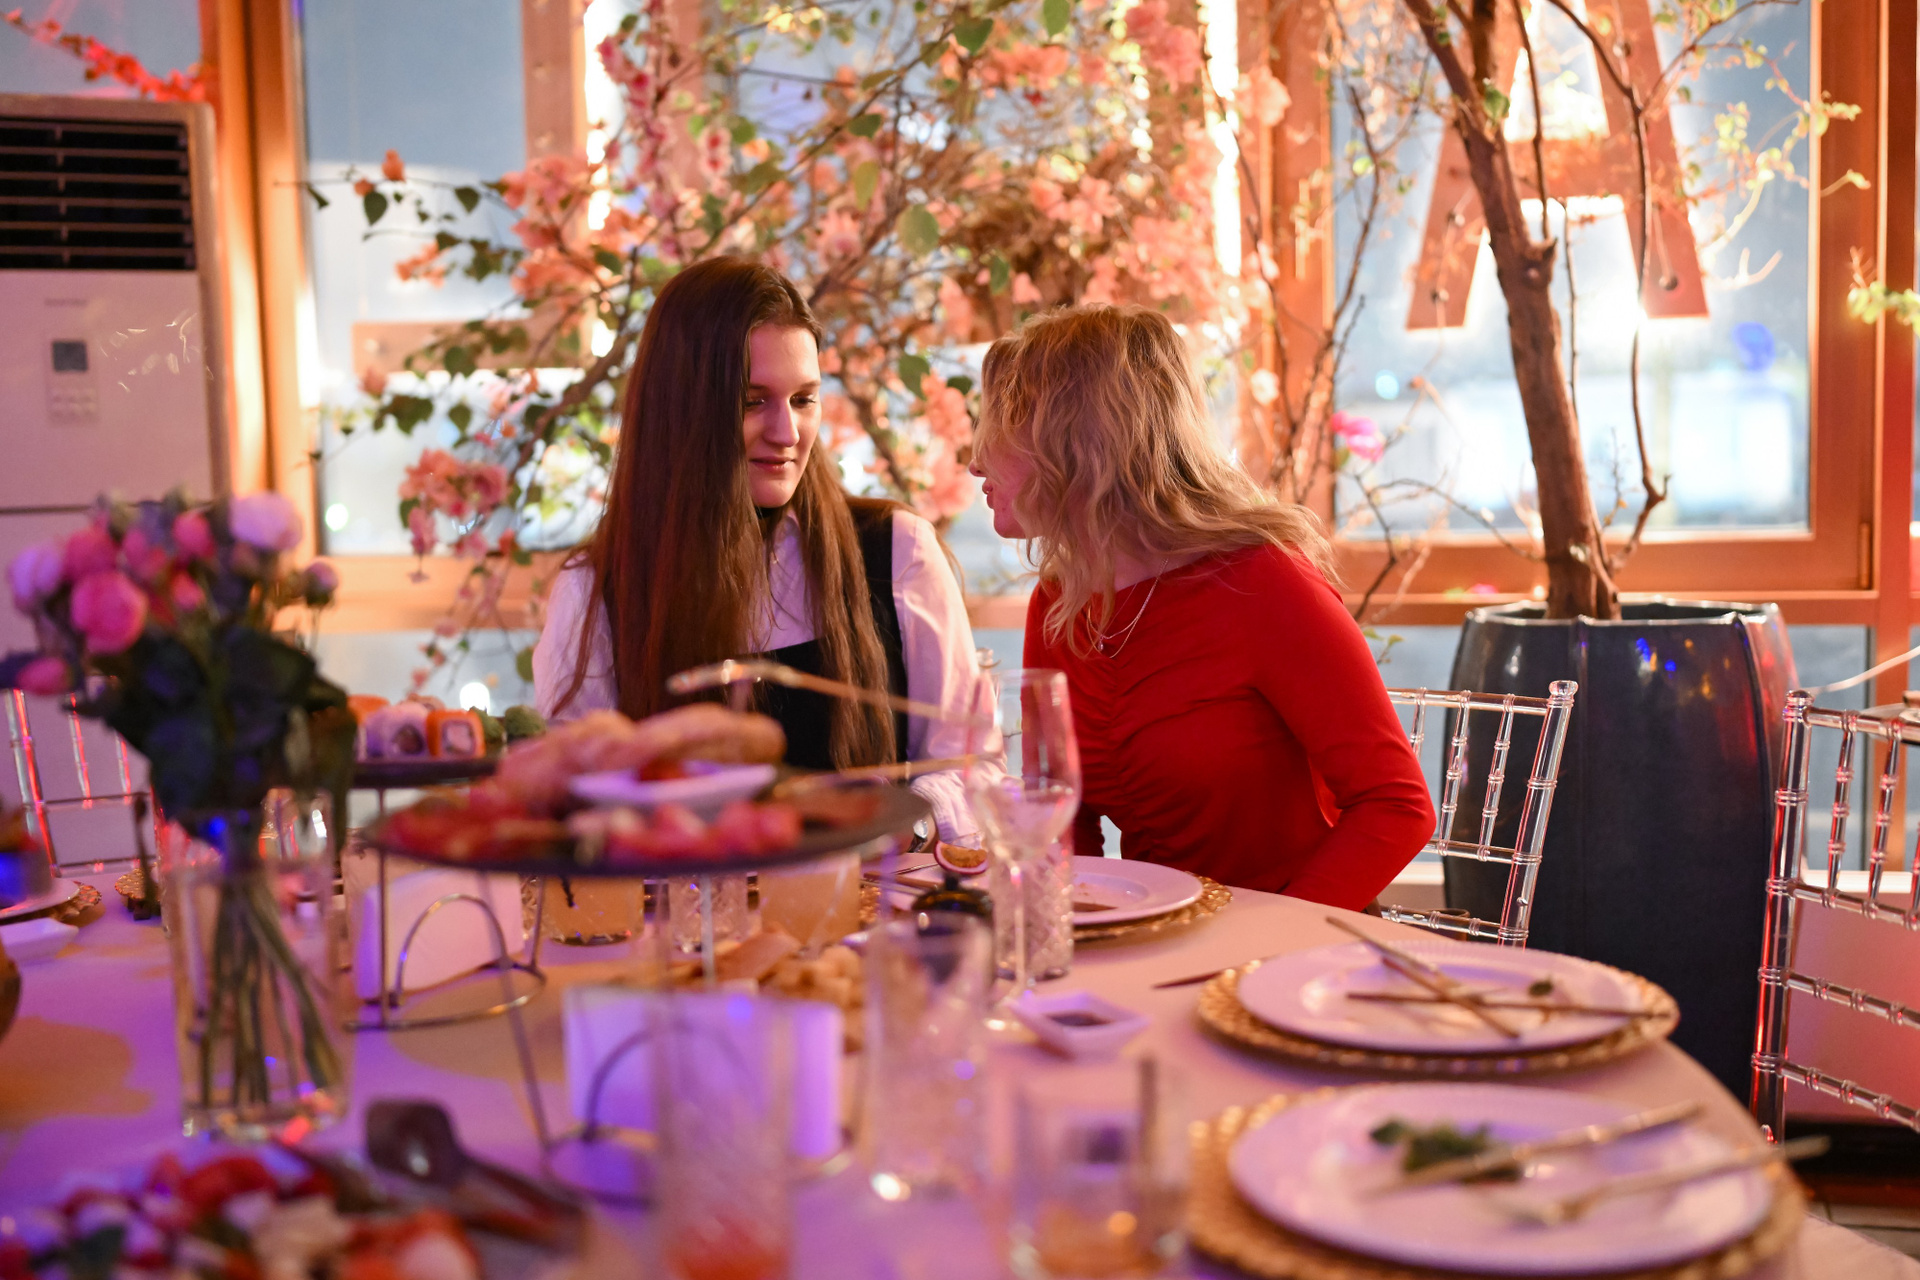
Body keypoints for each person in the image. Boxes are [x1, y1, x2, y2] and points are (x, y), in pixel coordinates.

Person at [968, 304, 1434, 908]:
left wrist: (1269, 937)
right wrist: (1074, 928)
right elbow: (1064, 815)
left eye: (999, 426)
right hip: (1155, 932)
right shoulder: (1059, 602)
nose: (974, 460)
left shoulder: (1264, 582)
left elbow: (1397, 805)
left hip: (1291, 940)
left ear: (1076, 441)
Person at [533, 256, 981, 840]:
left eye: (804, 399)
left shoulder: (896, 549)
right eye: (752, 401)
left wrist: (906, 823)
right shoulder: (596, 591)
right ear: (680, 409)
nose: (787, 432)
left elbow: (971, 765)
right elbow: (575, 810)